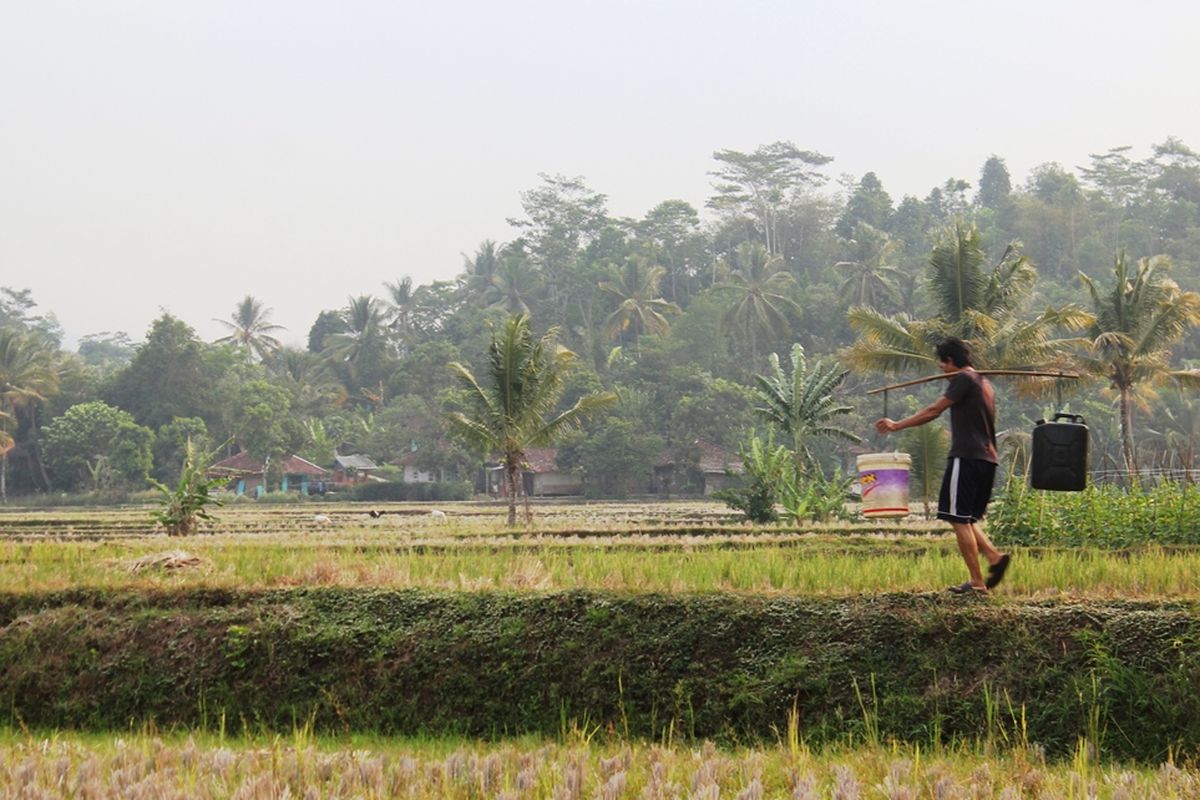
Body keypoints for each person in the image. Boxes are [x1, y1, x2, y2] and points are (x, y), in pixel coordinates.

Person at [874, 337, 1011, 594]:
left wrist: (896, 425)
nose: (941, 369)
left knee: (957, 519)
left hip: (966, 456)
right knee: (966, 518)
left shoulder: (964, 380)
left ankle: (977, 582)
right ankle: (994, 557)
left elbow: (933, 411)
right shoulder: (984, 383)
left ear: (951, 361)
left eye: (942, 364)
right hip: (987, 459)